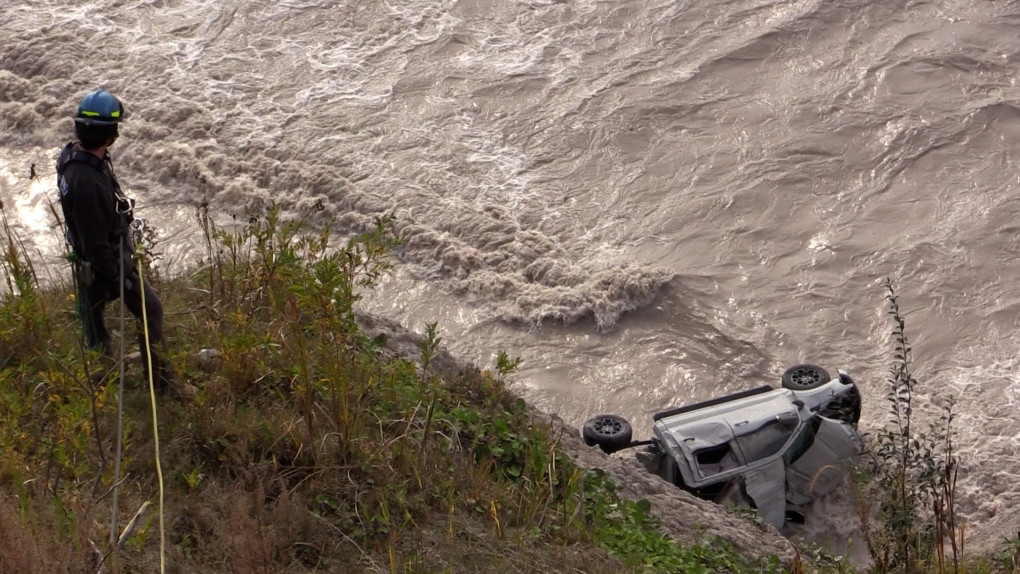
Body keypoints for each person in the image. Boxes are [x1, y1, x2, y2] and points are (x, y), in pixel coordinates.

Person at [56, 89, 176, 391]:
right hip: (105, 262)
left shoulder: (74, 158)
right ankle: (160, 384)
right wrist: (114, 276)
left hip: (89, 261)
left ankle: (104, 382)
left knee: (93, 322)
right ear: (111, 133)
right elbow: (95, 238)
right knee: (151, 310)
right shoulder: (86, 181)